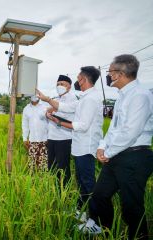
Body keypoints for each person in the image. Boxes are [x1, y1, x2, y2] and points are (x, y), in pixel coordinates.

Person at [86, 54, 153, 239]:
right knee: (100, 195)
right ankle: (104, 229)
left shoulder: (140, 96)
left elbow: (131, 132)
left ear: (120, 74)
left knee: (131, 206)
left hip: (135, 156)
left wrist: (108, 151)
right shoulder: (123, 96)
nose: (108, 76)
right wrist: (102, 146)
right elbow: (115, 129)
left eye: (110, 72)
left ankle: (139, 236)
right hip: (117, 154)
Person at [37, 66, 103, 223]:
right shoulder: (84, 98)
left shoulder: (91, 99)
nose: (77, 81)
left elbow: (82, 125)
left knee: (87, 183)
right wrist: (47, 99)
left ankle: (95, 220)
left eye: (78, 78)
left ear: (83, 80)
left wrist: (59, 122)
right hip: (79, 147)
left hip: (86, 147)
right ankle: (80, 211)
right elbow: (65, 108)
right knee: (81, 182)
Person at [47, 75, 78, 187]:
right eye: (58, 84)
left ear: (69, 87)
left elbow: (67, 115)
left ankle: (65, 191)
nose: (60, 86)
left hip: (64, 138)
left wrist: (54, 111)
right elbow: (47, 112)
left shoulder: (72, 98)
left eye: (63, 84)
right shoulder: (56, 99)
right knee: (52, 166)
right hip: (52, 138)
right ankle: (54, 189)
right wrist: (52, 111)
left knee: (63, 167)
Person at [22, 95, 49, 171]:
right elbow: (25, 124)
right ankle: (33, 182)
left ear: (39, 96)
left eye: (36, 94)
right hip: (32, 140)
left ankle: (44, 181)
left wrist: (49, 137)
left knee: (44, 164)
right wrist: (24, 138)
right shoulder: (26, 109)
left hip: (44, 140)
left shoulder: (45, 107)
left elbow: (50, 122)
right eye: (32, 94)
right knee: (33, 165)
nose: (34, 96)